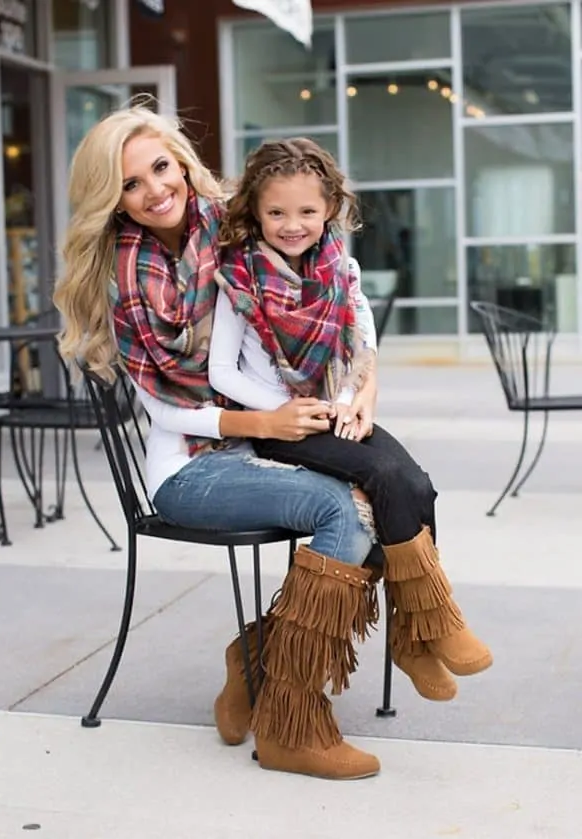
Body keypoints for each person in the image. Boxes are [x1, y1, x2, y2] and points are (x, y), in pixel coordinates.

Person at [53, 105, 385, 782]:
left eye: (160, 167)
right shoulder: (123, 279)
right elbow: (162, 409)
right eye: (130, 184)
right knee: (342, 512)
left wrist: (364, 388)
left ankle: (259, 661)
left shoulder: (235, 225)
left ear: (181, 161)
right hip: (190, 469)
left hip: (274, 435)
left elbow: (340, 285)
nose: (154, 190)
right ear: (111, 200)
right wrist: (261, 424)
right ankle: (292, 722)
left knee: (389, 498)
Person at [210, 138, 493, 719]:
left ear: (330, 210)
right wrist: (284, 409)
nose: (293, 225)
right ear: (255, 214)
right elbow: (222, 370)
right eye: (277, 213)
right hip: (278, 425)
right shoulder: (237, 279)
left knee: (413, 483)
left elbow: (363, 346)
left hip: (334, 413)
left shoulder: (343, 269)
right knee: (386, 478)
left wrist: (356, 396)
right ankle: (419, 633)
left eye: (307, 212)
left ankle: (410, 638)